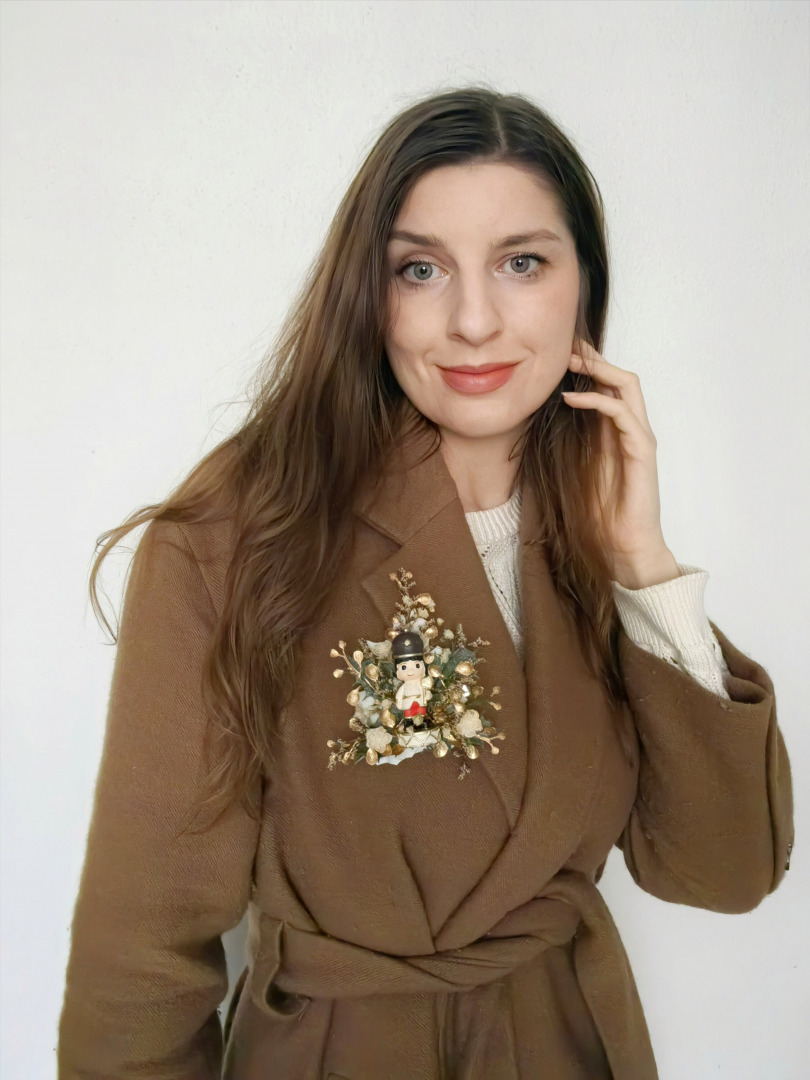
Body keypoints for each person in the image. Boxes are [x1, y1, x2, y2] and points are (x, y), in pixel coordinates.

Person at [57, 87, 793, 1080]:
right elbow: (140, 953)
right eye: (421, 269)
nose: (474, 321)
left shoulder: (591, 525)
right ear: (369, 291)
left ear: (583, 285)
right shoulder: (240, 530)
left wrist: (644, 570)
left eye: (522, 263)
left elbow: (724, 874)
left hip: (567, 1046)